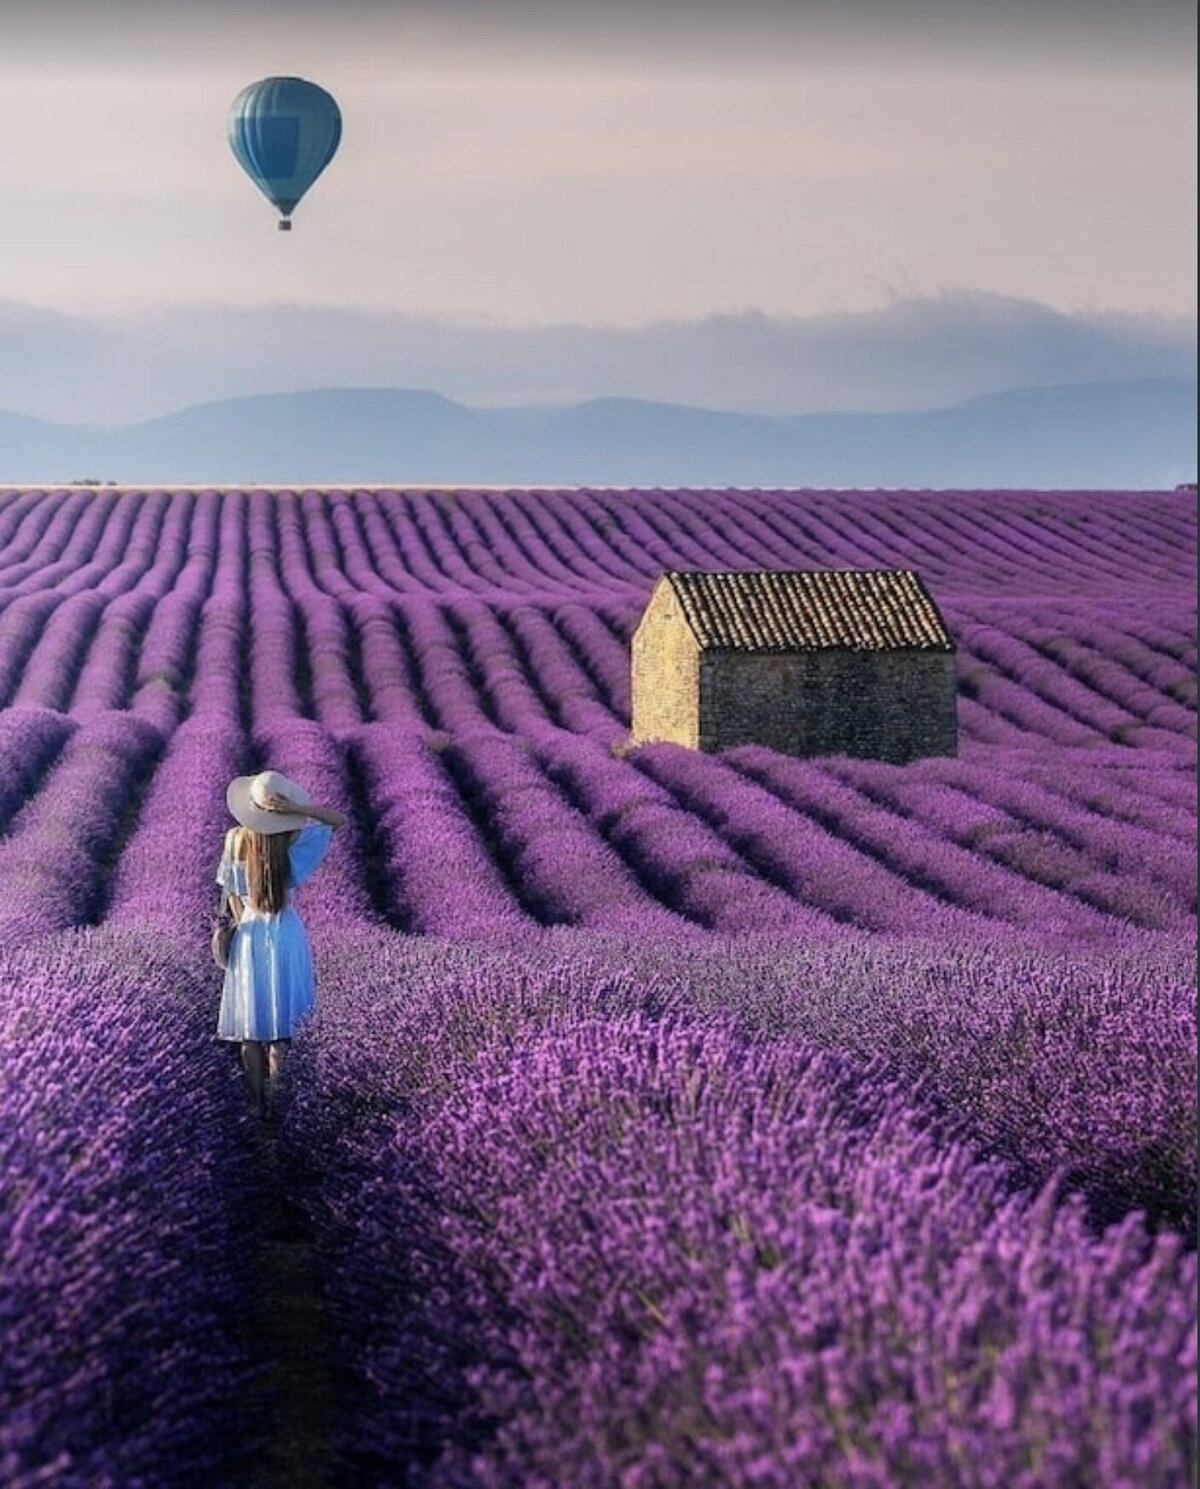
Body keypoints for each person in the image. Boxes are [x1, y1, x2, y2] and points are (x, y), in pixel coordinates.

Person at [216, 769, 346, 1116]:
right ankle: (279, 1109)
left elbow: (230, 894)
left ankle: (256, 1107)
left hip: (250, 933)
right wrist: (295, 811)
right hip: (285, 934)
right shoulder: (290, 838)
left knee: (251, 1029)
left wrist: (244, 917)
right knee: (280, 1032)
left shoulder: (234, 840)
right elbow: (337, 820)